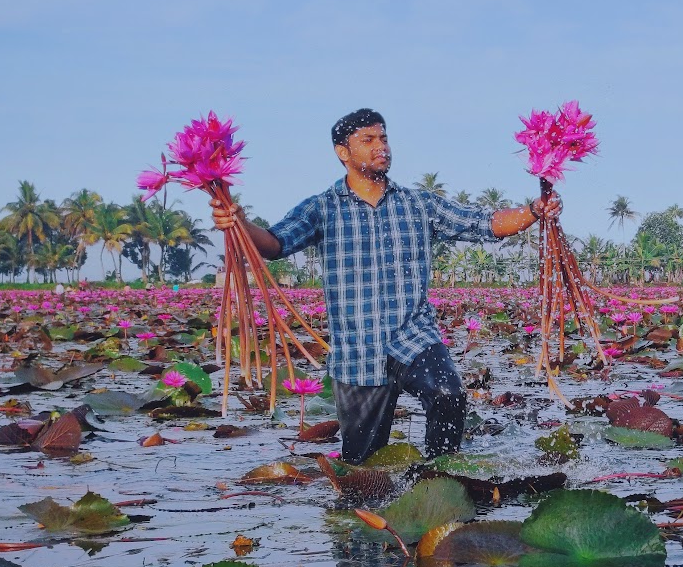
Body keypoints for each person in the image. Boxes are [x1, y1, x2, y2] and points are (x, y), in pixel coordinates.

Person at [212, 108, 558, 462]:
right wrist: (239, 223)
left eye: (384, 138)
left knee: (449, 393)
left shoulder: (418, 203)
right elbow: (274, 243)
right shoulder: (322, 209)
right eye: (368, 140)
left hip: (413, 337)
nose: (382, 147)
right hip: (356, 350)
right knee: (362, 463)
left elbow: (485, 224)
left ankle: (438, 476)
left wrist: (535, 209)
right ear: (343, 152)